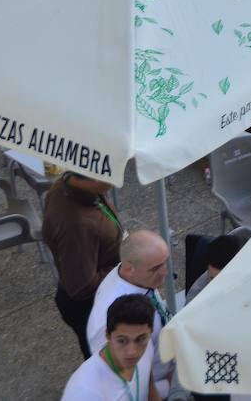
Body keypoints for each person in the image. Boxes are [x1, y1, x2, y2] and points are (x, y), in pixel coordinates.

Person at [43, 172, 123, 359]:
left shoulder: (66, 185)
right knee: (107, 365)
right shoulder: (77, 225)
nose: (115, 181)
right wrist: (123, 267)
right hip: (90, 308)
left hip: (95, 299)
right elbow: (81, 287)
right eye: (107, 176)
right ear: (86, 176)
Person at [84, 229, 170, 365]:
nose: (165, 272)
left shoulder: (136, 276)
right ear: (130, 269)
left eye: (166, 262)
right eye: (156, 268)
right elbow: (115, 370)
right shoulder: (107, 317)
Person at [61, 294, 158, 401]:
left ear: (150, 332)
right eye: (122, 341)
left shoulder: (147, 345)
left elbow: (148, 380)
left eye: (140, 339)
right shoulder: (85, 392)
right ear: (107, 335)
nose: (132, 352)